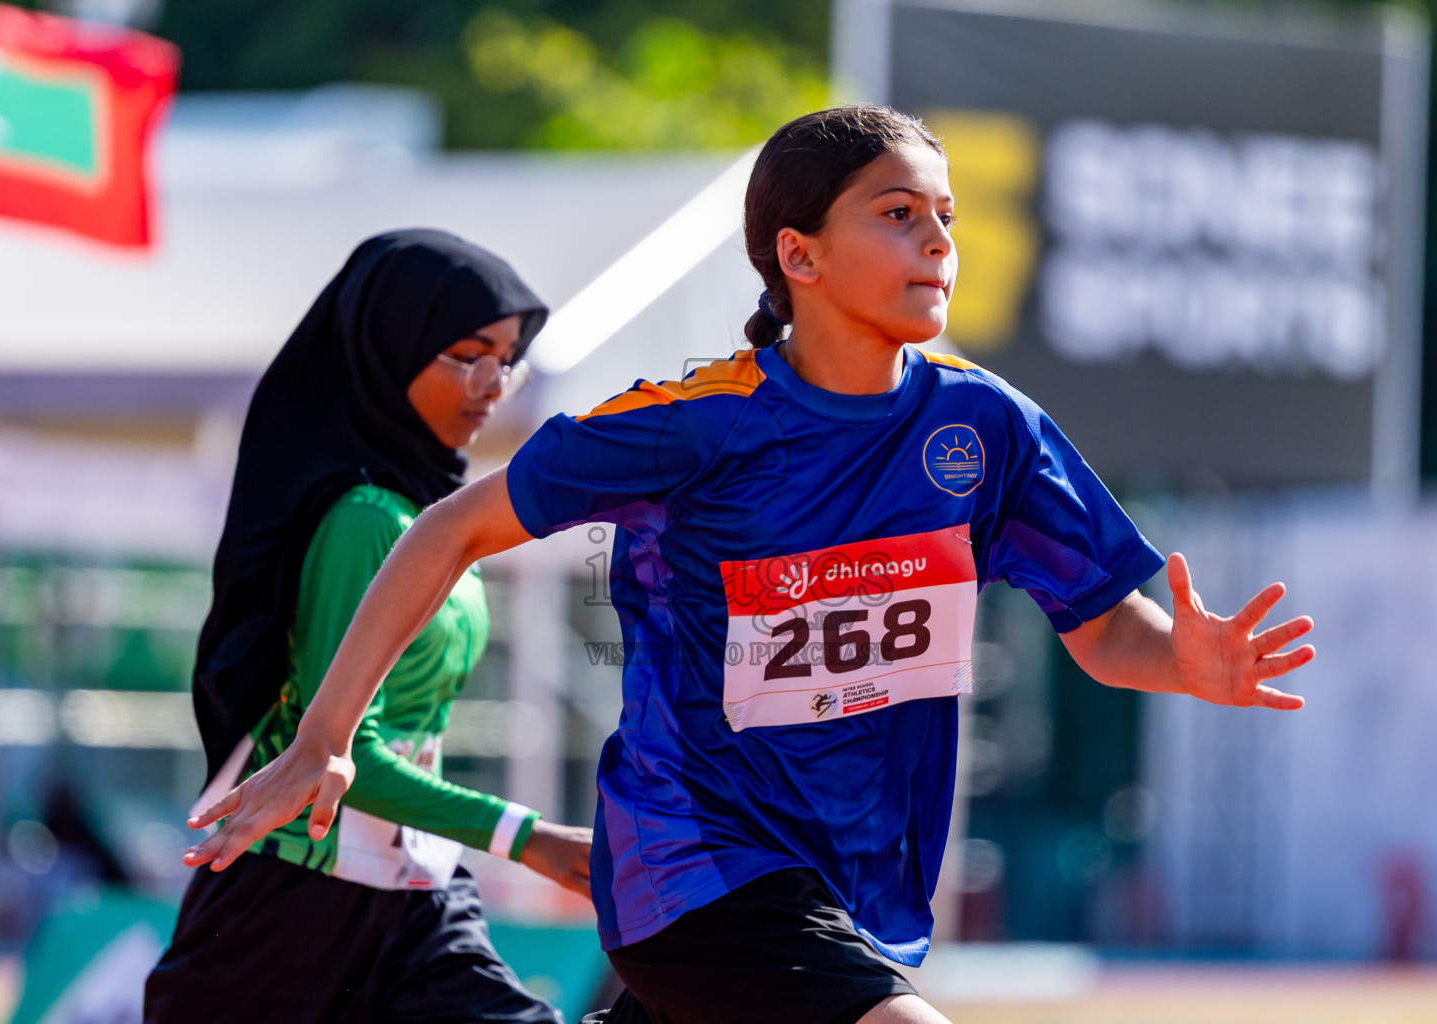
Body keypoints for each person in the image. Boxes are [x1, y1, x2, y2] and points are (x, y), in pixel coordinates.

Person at [182, 110, 1316, 1024]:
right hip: (692, 865)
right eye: (898, 212)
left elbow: (1103, 627)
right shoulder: (694, 425)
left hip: (854, 878)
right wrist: (327, 739)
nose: (937, 241)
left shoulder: (988, 425)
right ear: (799, 254)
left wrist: (1189, 664)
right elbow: (451, 528)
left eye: (946, 217)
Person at [147, 229, 590, 1024]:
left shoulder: (435, 519)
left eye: (507, 357)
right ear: (388, 349)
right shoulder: (364, 520)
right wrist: (531, 839)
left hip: (415, 891)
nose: (494, 384)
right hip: (292, 904)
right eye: (465, 353)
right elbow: (340, 758)